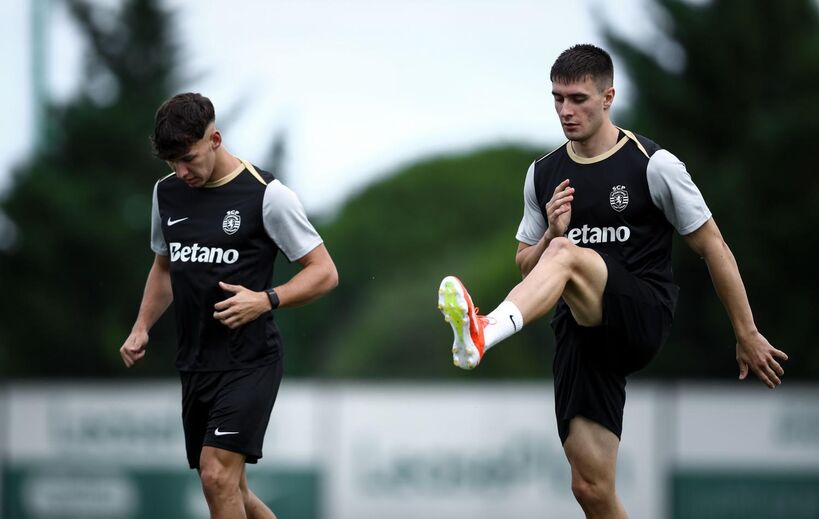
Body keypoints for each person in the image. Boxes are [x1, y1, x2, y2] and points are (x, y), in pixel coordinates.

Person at [437, 44, 787, 518]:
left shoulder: (654, 164)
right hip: (582, 334)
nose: (565, 110)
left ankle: (485, 330)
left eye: (578, 99)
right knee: (590, 488)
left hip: (639, 313)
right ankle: (485, 332)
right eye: (557, 98)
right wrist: (550, 234)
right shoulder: (543, 173)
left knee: (565, 255)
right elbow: (526, 265)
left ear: (608, 98)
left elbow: (714, 247)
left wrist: (746, 332)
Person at [119, 92, 338, 519]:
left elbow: (324, 272)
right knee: (232, 488)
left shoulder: (267, 195)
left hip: (250, 359)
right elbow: (165, 267)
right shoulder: (166, 193)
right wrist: (141, 326)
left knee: (216, 475)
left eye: (188, 158)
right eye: (172, 163)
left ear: (215, 139)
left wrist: (267, 299)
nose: (181, 172)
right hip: (196, 362)